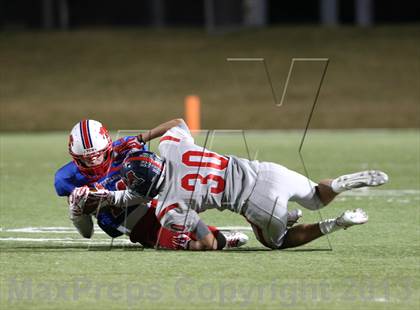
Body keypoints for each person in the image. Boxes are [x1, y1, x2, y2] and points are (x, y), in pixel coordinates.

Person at [115, 118, 388, 250]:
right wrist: (141, 136)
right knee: (317, 196)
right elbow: (178, 121)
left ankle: (337, 223)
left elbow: (208, 240)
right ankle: (338, 185)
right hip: (265, 171)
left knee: (276, 242)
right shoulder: (171, 147)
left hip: (256, 202)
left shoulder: (168, 208)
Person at [54, 119, 249, 250]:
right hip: (124, 218)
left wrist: (142, 138)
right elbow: (87, 233)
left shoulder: (124, 148)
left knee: (168, 188)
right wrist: (76, 213)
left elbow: (176, 123)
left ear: (108, 147)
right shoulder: (66, 179)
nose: (94, 162)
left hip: (148, 198)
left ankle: (207, 230)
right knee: (159, 230)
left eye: (98, 155)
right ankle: (205, 239)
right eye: (87, 159)